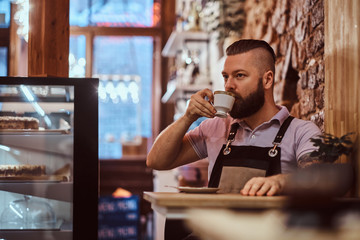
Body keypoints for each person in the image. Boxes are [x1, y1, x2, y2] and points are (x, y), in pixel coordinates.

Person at [147, 39, 322, 238]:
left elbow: (319, 178)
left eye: (239, 76)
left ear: (267, 80)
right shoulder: (216, 127)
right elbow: (156, 161)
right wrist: (187, 117)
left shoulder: (301, 131)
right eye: (225, 77)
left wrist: (282, 182)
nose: (228, 85)